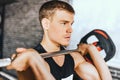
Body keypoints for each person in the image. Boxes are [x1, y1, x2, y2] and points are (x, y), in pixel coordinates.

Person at [6, 0, 112, 80]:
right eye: (64, 23)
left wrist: (91, 49)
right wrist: (34, 59)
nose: (70, 29)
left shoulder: (74, 58)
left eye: (71, 24)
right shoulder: (28, 63)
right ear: (46, 24)